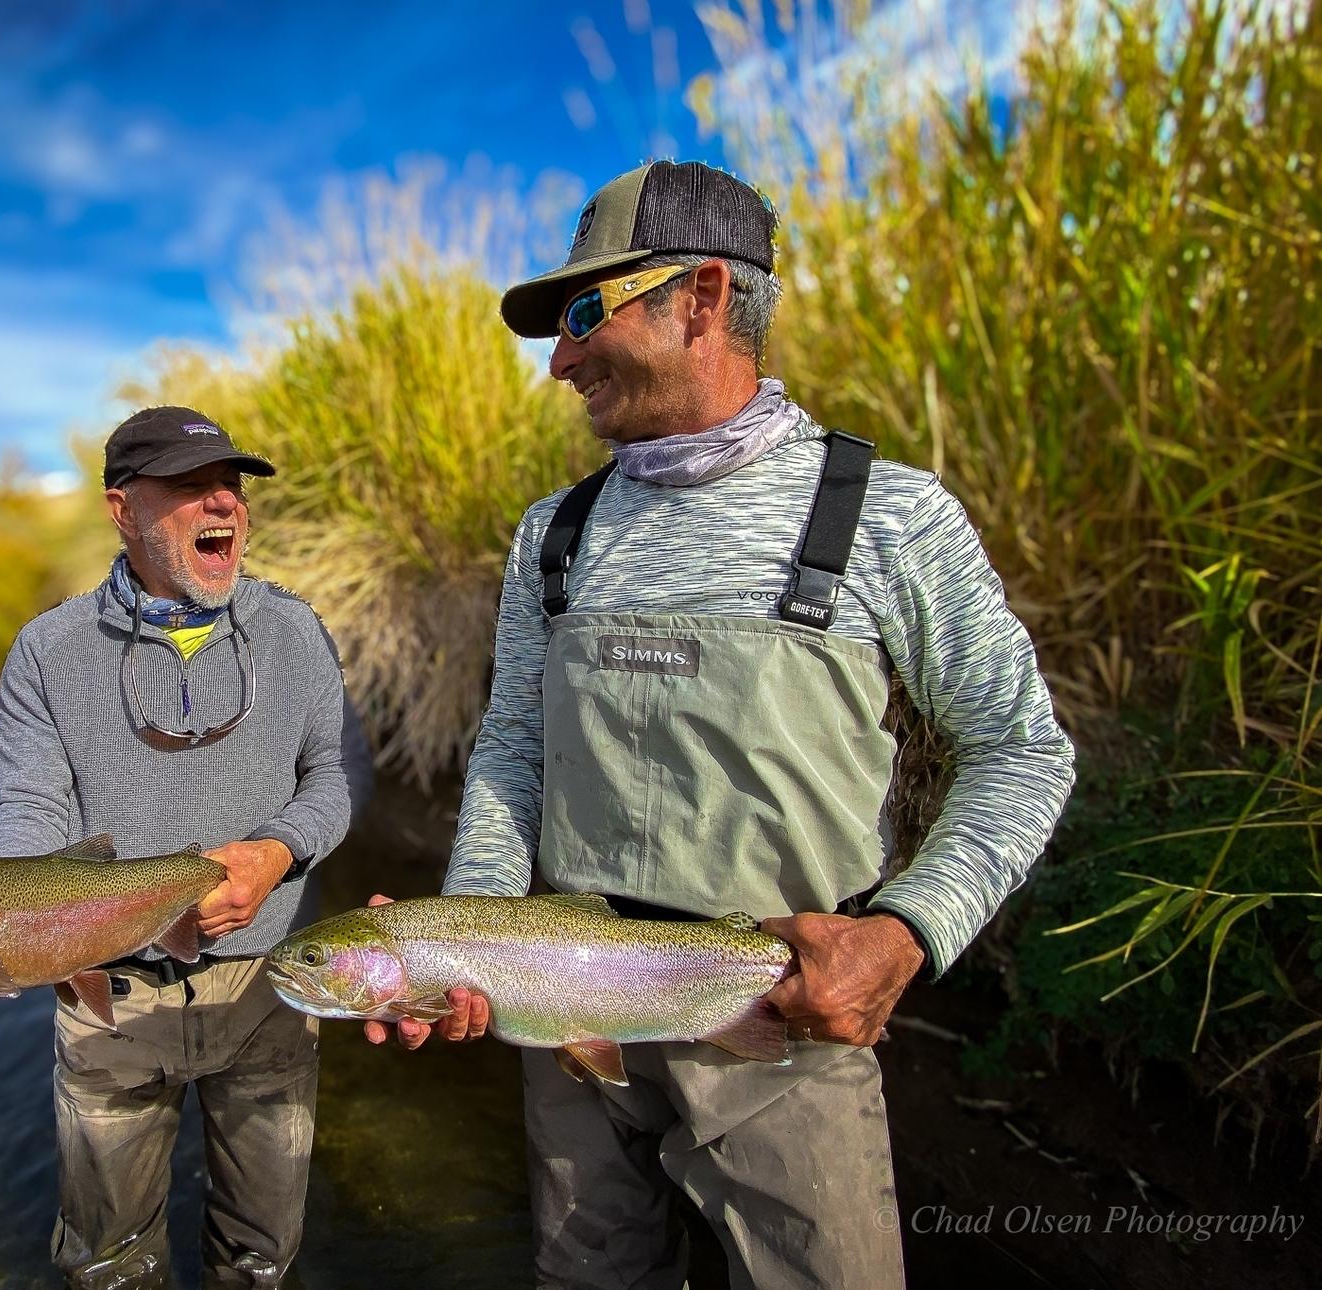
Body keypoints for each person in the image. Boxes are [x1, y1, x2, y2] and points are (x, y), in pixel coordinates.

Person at [366, 160, 1075, 1287]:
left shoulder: (888, 516)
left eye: (584, 313)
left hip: (782, 1032)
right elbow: (512, 748)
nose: (558, 359)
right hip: (568, 1027)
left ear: (700, 298)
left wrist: (903, 935)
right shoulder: (552, 534)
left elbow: (1021, 748)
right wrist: (467, 938)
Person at [0, 405, 371, 1290]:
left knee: (260, 1254)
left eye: (232, 483)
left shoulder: (296, 631)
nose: (222, 501)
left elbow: (336, 780)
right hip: (106, 999)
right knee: (106, 1263)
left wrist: (280, 851)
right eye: (187, 485)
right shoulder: (46, 650)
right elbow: (29, 808)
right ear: (121, 508)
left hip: (272, 988)